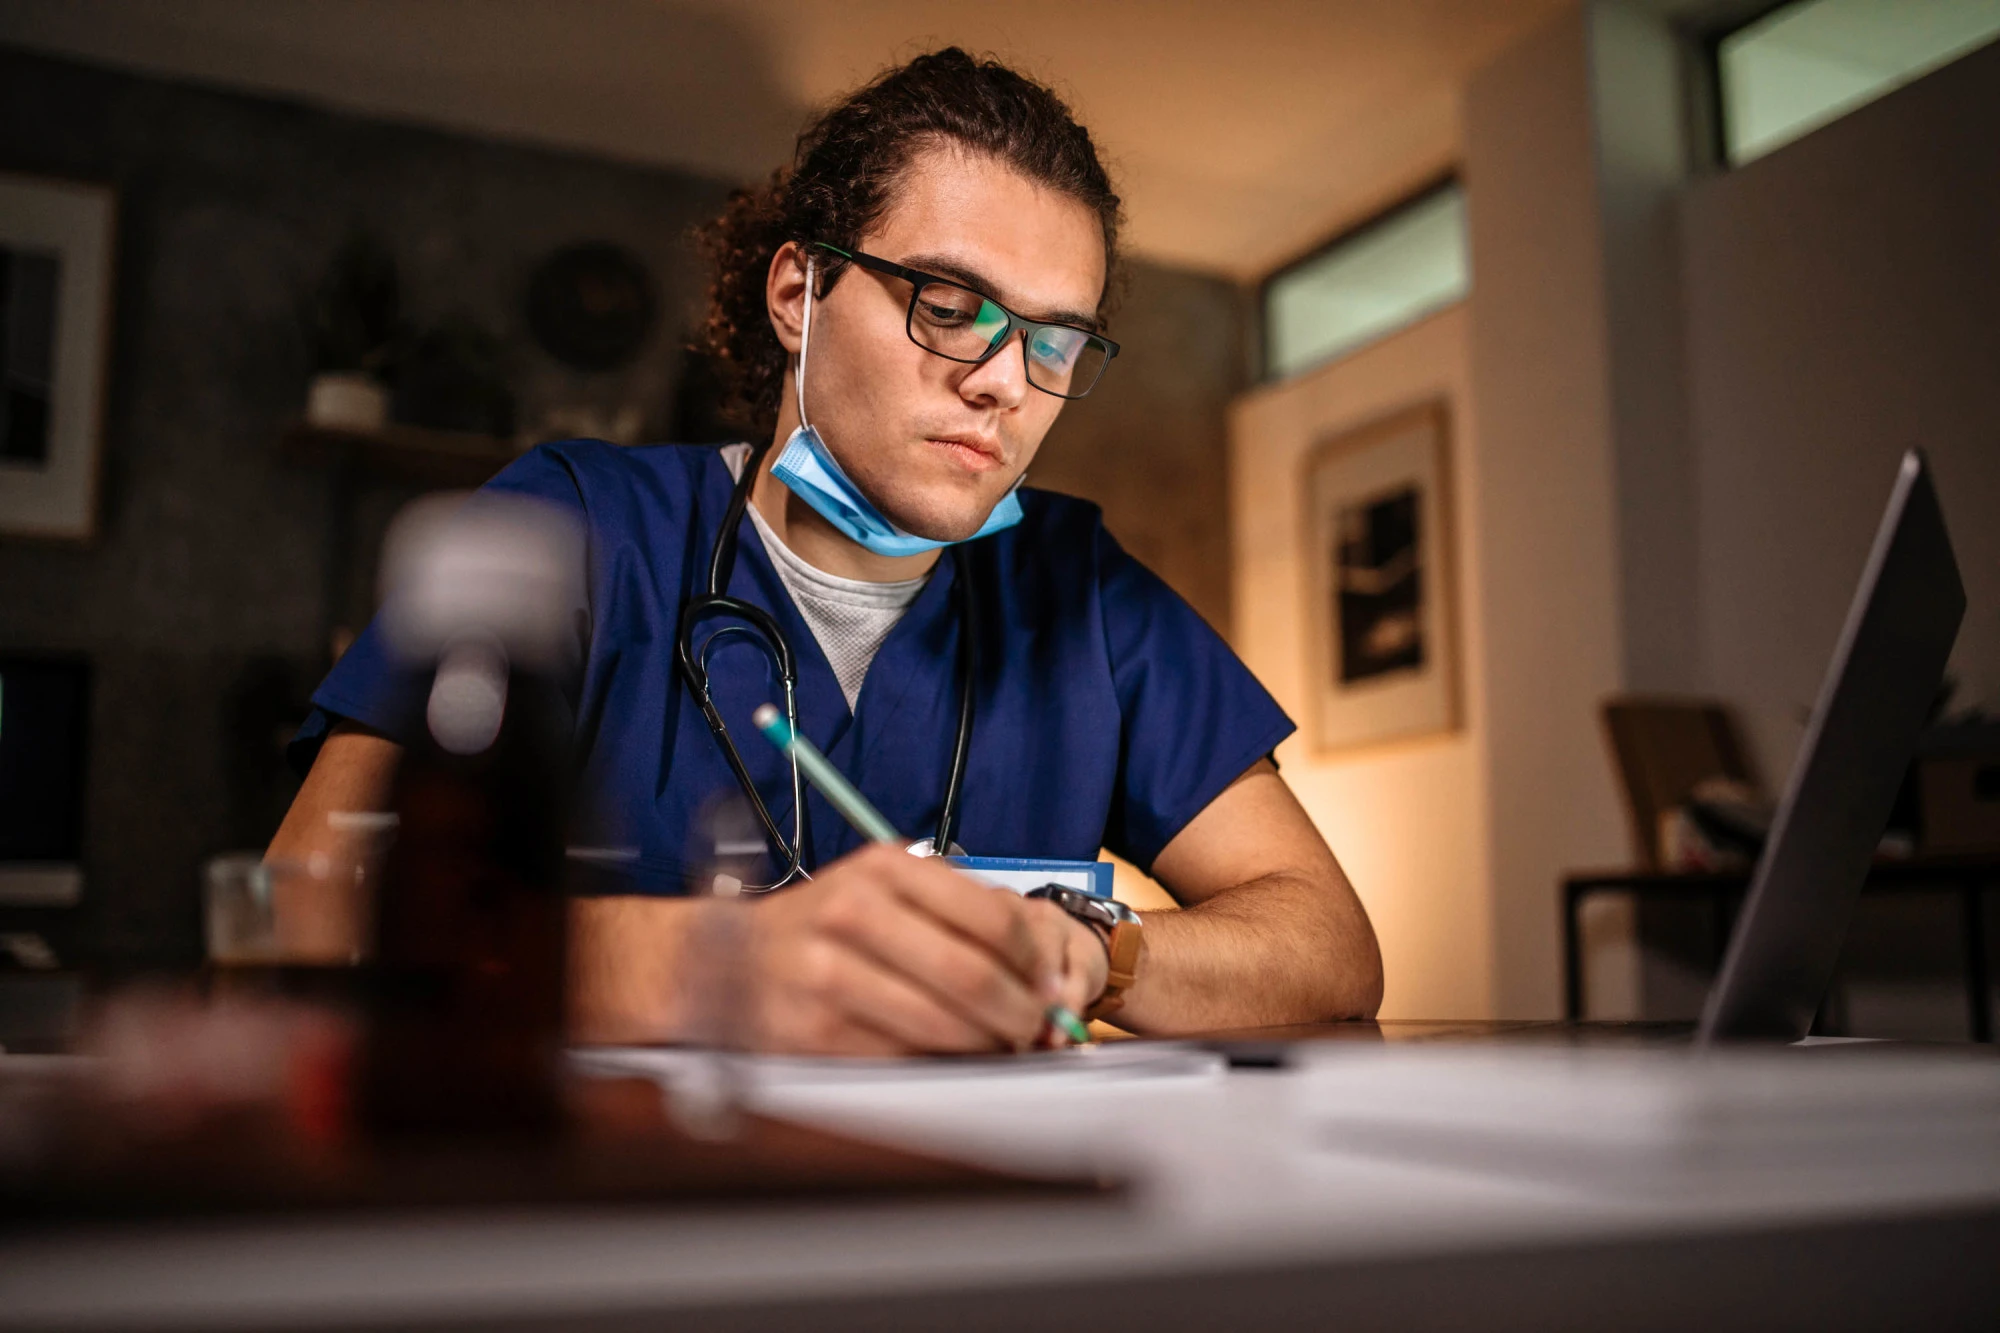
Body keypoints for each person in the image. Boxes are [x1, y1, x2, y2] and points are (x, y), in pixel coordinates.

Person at [269, 48, 1381, 1055]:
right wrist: (721, 965)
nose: (1003, 380)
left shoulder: (1082, 595)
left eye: (1054, 340)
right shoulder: (571, 527)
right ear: (800, 292)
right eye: (949, 306)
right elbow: (306, 904)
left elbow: (1326, 942)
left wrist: (1086, 949)